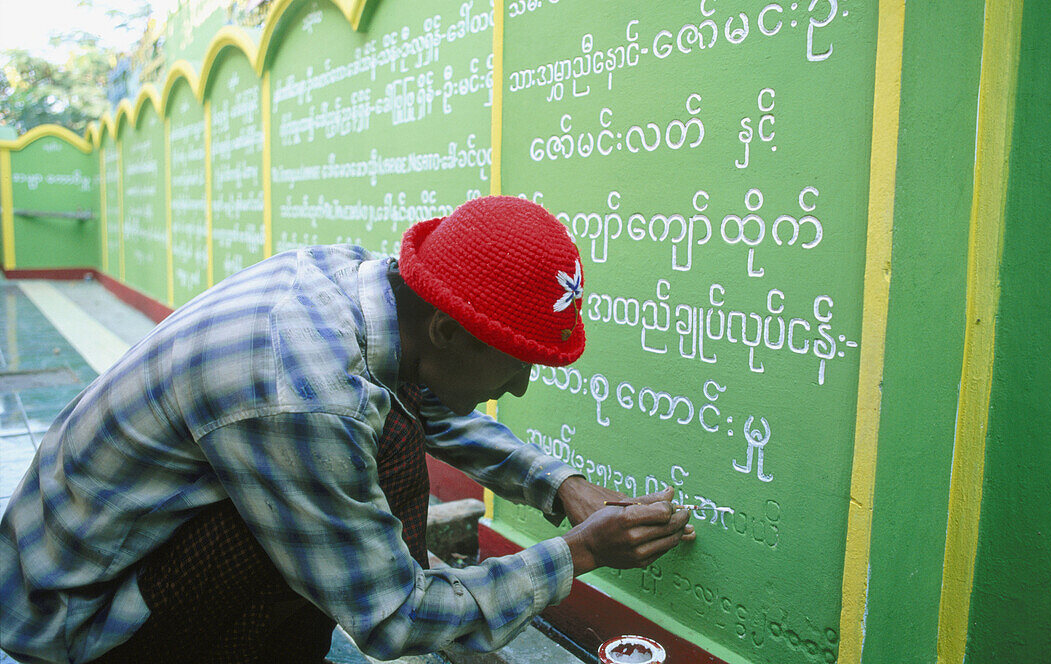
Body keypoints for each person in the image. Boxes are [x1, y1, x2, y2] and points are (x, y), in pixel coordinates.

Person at [0, 196, 694, 664]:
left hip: (92, 560)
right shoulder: (303, 397)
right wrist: (576, 556)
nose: (518, 387)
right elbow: (390, 615)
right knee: (382, 453)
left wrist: (559, 485)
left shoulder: (354, 285)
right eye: (517, 366)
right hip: (75, 619)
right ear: (448, 330)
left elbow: (424, 397)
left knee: (387, 432)